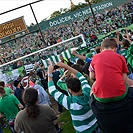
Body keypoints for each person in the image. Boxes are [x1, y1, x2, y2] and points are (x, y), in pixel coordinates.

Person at [89, 38, 133, 133]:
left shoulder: (95, 58)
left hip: (101, 98)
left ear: (101, 49)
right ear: (115, 49)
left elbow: (92, 76)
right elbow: (124, 76)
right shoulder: (120, 57)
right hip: (121, 95)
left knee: (92, 91)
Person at [48, 62, 98, 133]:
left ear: (70, 90)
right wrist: (66, 66)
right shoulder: (88, 91)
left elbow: (52, 90)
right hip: (96, 125)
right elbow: (80, 76)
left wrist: (49, 74)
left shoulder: (70, 103)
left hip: (83, 131)